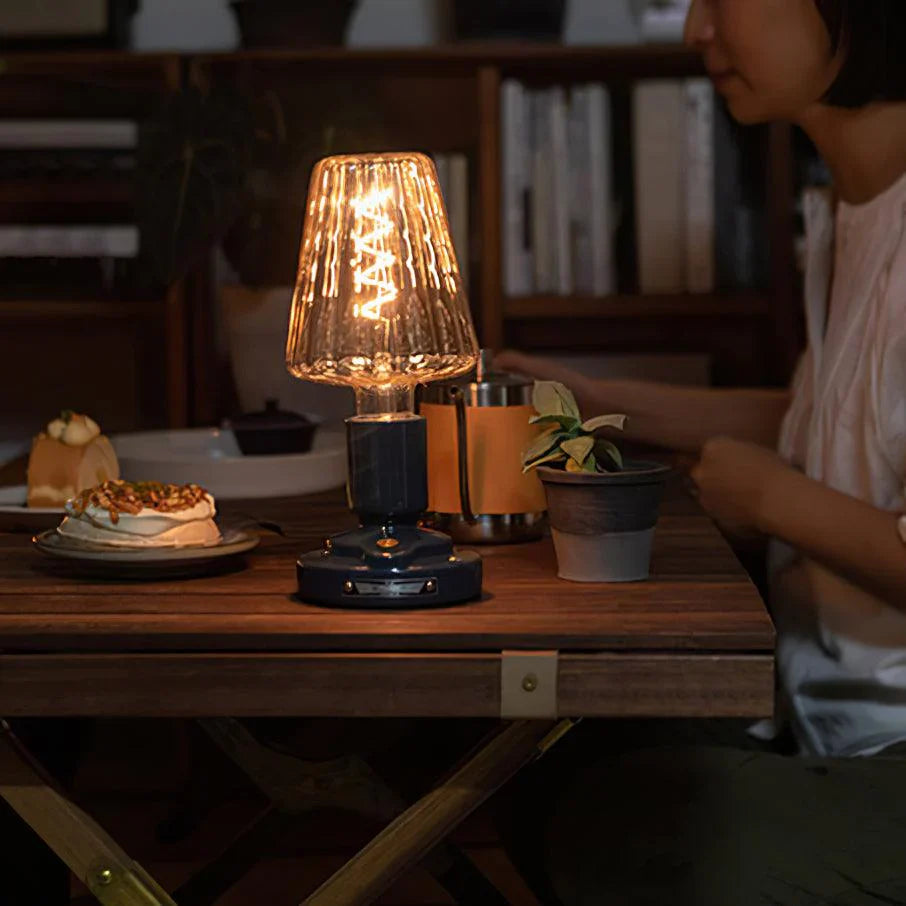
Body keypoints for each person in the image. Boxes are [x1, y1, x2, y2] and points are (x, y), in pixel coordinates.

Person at [494, 1, 906, 903]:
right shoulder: (852, 207)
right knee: (524, 750)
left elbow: (807, 463)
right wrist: (597, 402)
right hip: (821, 713)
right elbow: (836, 419)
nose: (695, 29)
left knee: (657, 830)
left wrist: (767, 502)